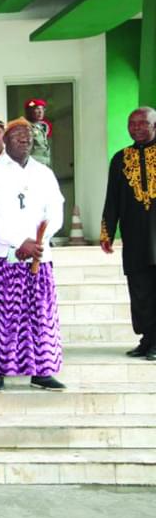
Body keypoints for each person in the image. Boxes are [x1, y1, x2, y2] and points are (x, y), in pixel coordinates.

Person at [0, 119, 65, 391]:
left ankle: (41, 371)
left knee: (39, 315)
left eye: (27, 135)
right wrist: (19, 242)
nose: (23, 139)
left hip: (39, 256)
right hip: (4, 255)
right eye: (16, 135)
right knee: (0, 317)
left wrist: (39, 240)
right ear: (5, 139)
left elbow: (56, 211)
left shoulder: (44, 173)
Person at [101, 107, 156, 361]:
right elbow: (112, 199)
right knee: (140, 289)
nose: (136, 127)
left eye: (142, 123)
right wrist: (107, 232)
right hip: (135, 237)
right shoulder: (120, 159)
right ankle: (147, 339)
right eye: (132, 123)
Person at [24, 98, 52, 168]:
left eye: (42, 109)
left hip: (43, 165)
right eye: (37, 109)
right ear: (29, 111)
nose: (40, 112)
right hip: (31, 166)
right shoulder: (24, 127)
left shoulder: (41, 128)